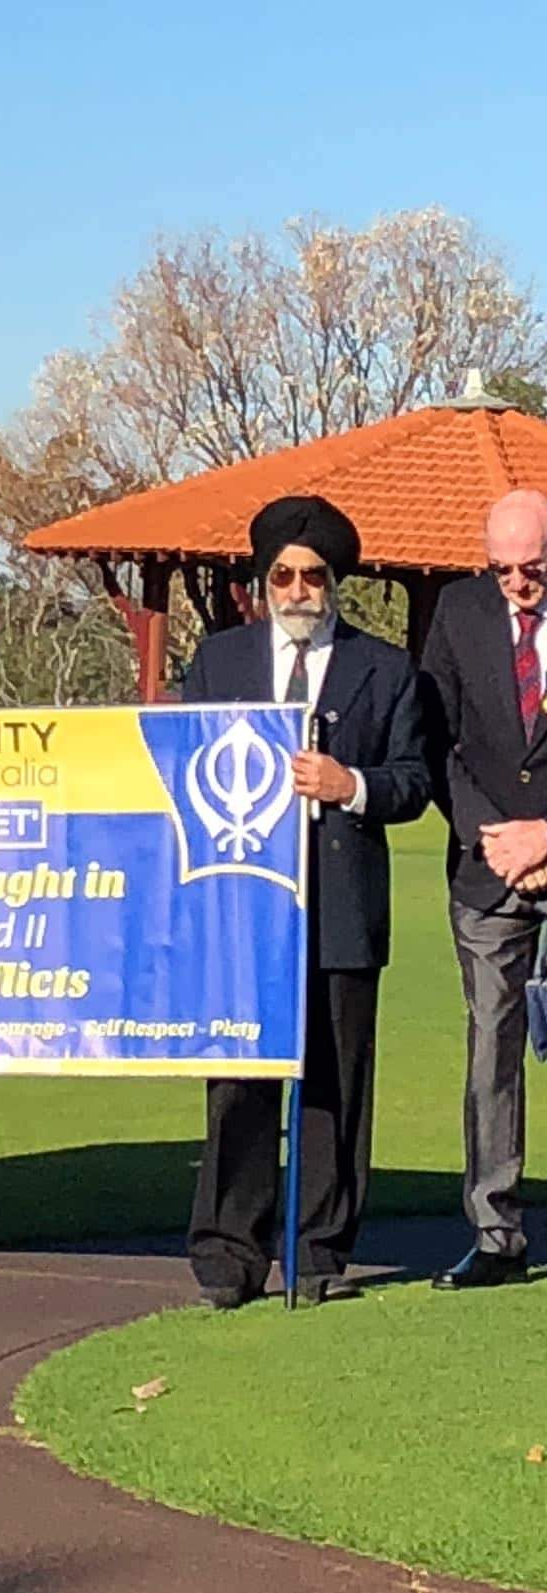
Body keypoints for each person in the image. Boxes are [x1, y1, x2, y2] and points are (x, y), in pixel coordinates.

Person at [184, 495, 431, 1308]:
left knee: (334, 1084)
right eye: (281, 575)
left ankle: (319, 1250)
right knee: (240, 1085)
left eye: (312, 576)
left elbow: (413, 782)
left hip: (343, 905)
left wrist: (347, 785)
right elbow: (182, 766)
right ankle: (230, 1253)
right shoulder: (219, 664)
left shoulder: (386, 669)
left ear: (335, 583)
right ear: (263, 582)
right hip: (242, 910)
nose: (296, 590)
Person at [421, 488, 547, 1290]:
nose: (516, 585)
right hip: (488, 870)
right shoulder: (459, 612)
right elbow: (433, 737)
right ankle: (497, 1235)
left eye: (531, 568)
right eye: (502, 570)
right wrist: (492, 836)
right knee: (492, 1053)